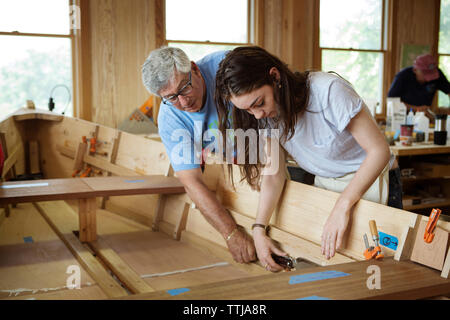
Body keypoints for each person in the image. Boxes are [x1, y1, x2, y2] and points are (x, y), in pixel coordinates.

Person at [214, 46, 402, 272]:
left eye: (259, 103)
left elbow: (379, 151)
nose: (257, 115)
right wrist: (258, 229)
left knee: (380, 273)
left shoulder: (328, 91)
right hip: (327, 184)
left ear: (275, 77)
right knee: (337, 269)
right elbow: (274, 174)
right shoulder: (265, 115)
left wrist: (343, 205)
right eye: (248, 110)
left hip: (373, 179)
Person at [141, 46, 256, 264]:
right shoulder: (169, 118)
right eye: (171, 98)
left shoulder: (227, 65)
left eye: (184, 89)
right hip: (233, 162)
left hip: (269, 148)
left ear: (194, 68)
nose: (183, 103)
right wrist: (230, 233)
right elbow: (191, 181)